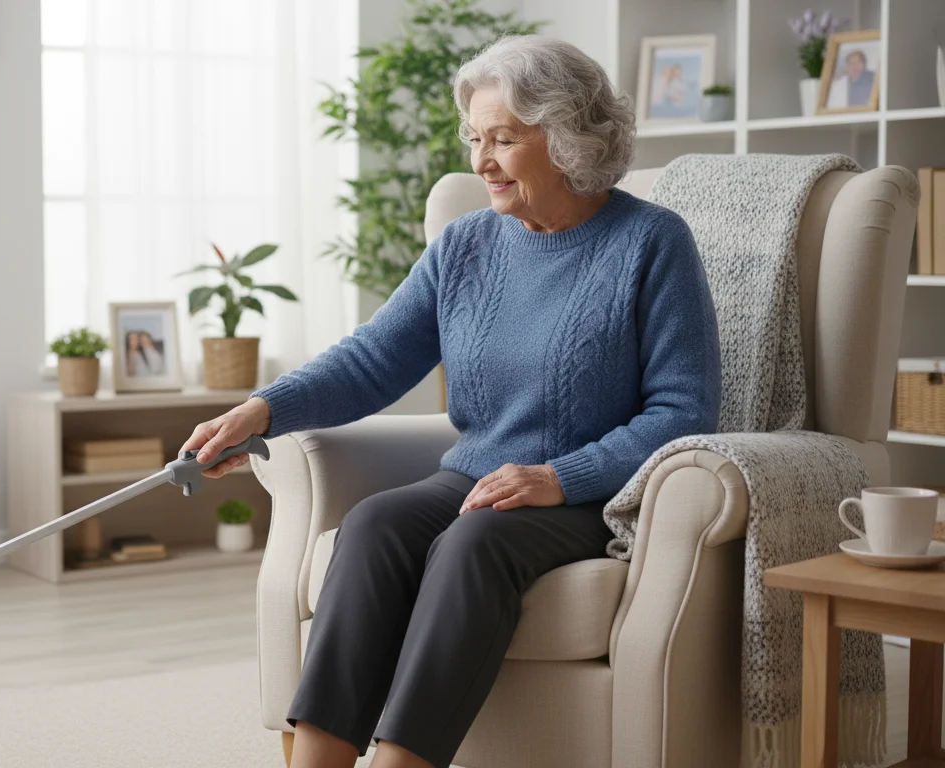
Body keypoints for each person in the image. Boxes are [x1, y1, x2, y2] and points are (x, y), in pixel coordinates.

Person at [181, 34, 721, 768]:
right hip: (473, 477)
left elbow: (684, 414)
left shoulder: (651, 242)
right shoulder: (466, 245)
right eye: (475, 137)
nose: (480, 161)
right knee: (371, 525)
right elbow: (374, 358)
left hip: (588, 495)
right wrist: (263, 411)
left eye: (503, 138)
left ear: (566, 138)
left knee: (473, 542)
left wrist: (558, 477)